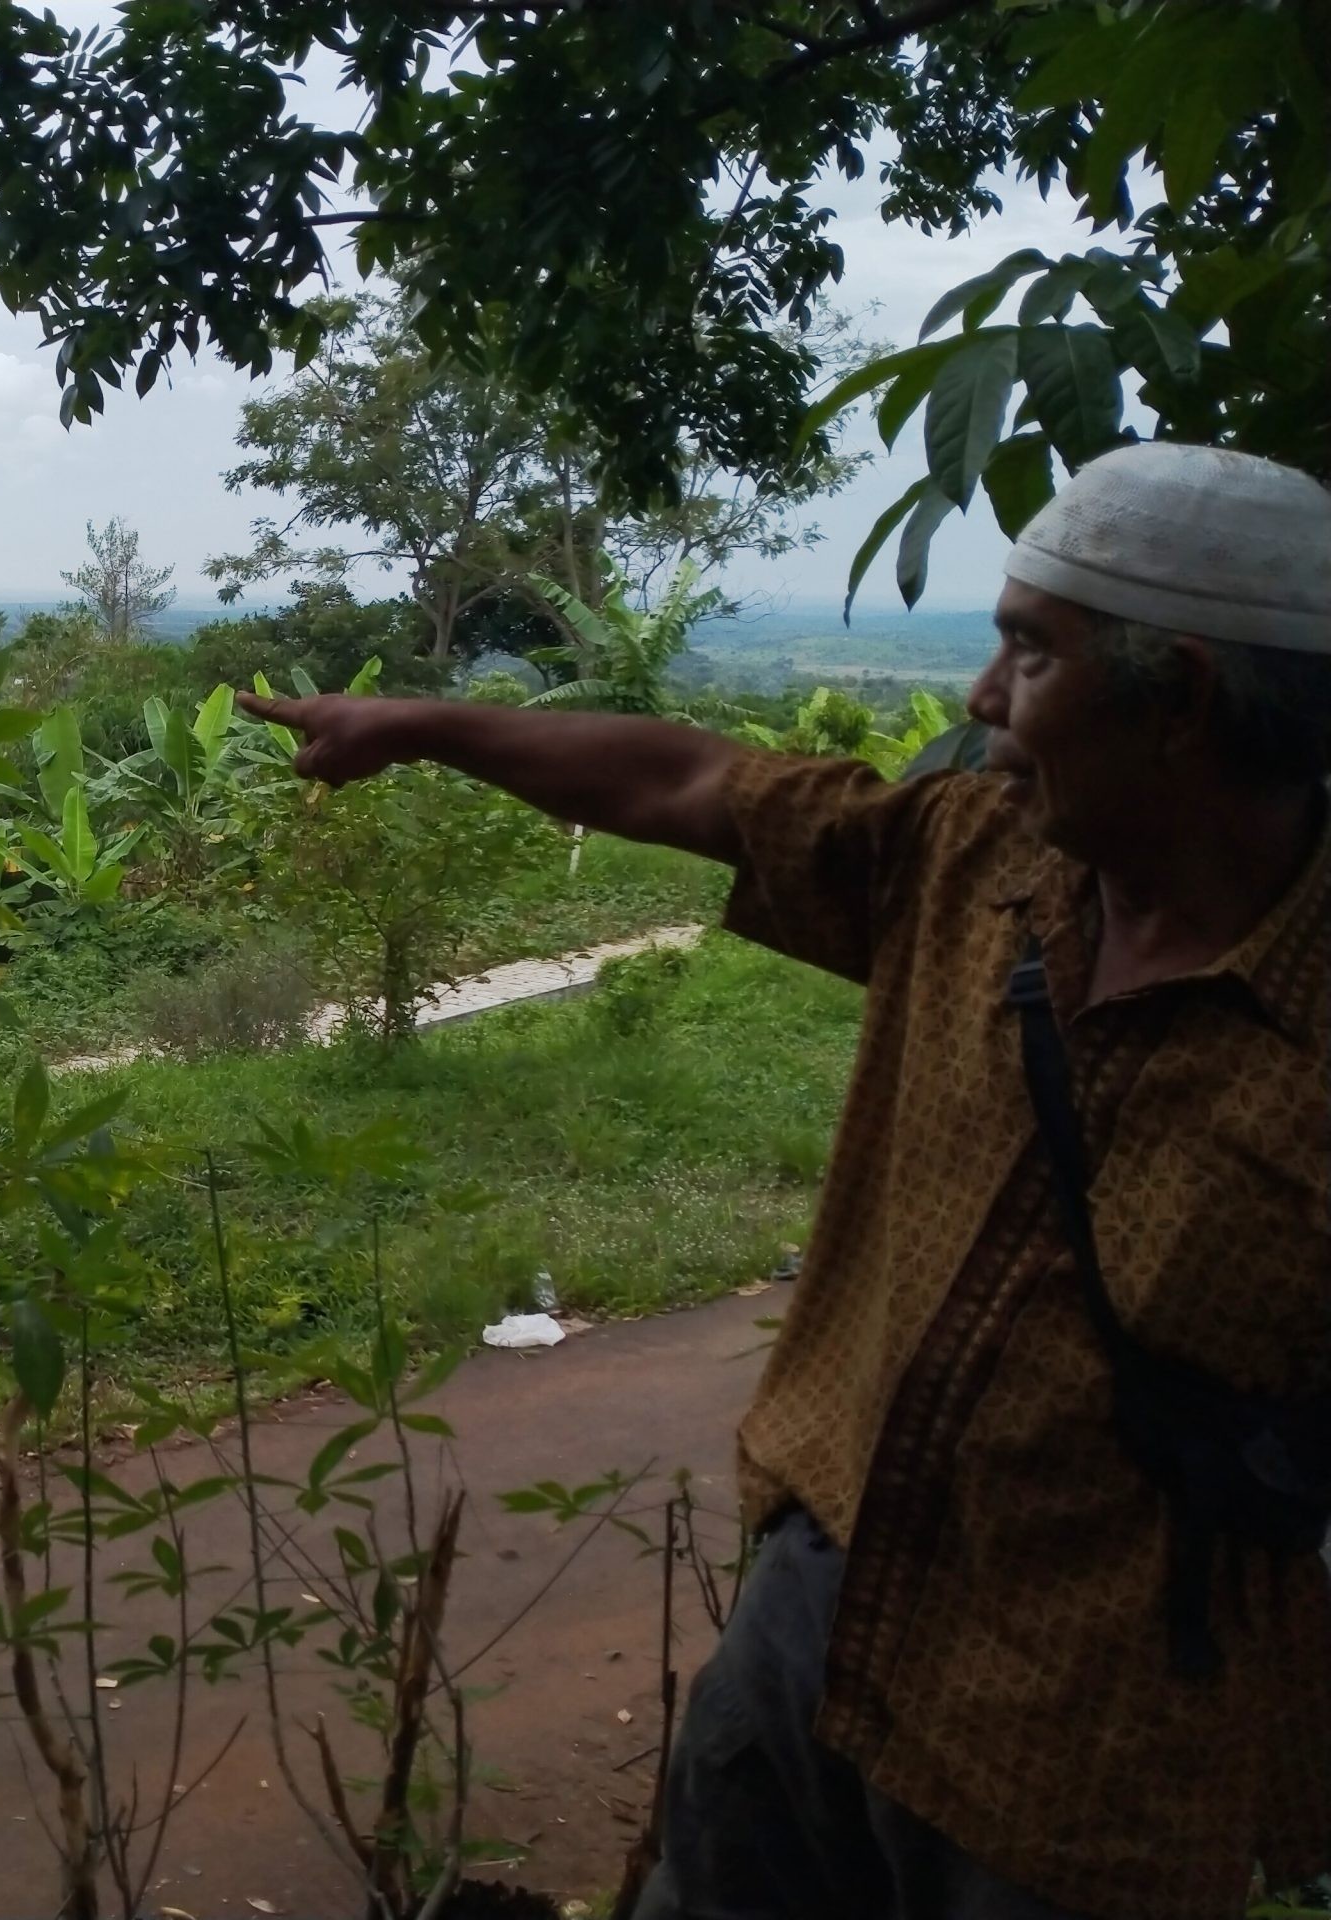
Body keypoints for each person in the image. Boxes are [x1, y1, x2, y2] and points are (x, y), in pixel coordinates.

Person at [238, 442, 1331, 1920]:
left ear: (1183, 696)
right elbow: (700, 781)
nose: (982, 702)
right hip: (826, 1607)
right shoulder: (971, 862)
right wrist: (424, 726)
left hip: (1098, 1723)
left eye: (1028, 653)